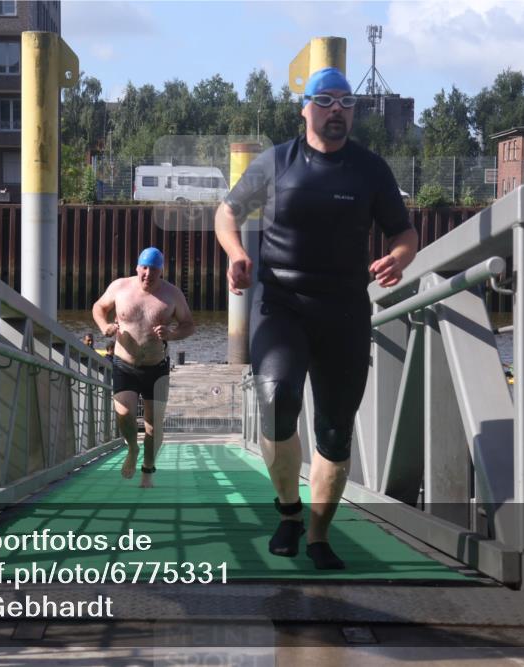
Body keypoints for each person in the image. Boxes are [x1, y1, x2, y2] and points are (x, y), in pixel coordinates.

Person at [214, 67, 418, 570]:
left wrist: (400, 257)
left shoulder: (370, 170)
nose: (337, 110)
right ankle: (288, 510)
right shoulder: (276, 161)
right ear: (305, 107)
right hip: (280, 302)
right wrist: (236, 253)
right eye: (325, 101)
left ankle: (320, 535)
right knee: (276, 397)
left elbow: (404, 233)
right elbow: (226, 212)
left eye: (346, 103)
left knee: (334, 430)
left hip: (344, 309)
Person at [92, 247, 195, 487]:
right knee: (125, 413)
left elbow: (189, 325)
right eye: (144, 268)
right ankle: (132, 448)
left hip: (156, 367)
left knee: (153, 427)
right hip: (124, 364)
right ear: (137, 267)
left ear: (161, 271)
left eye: (154, 269)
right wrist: (103, 326)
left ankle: (148, 471)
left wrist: (172, 332)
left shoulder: (172, 294)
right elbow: (99, 307)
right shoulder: (120, 287)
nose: (148, 274)